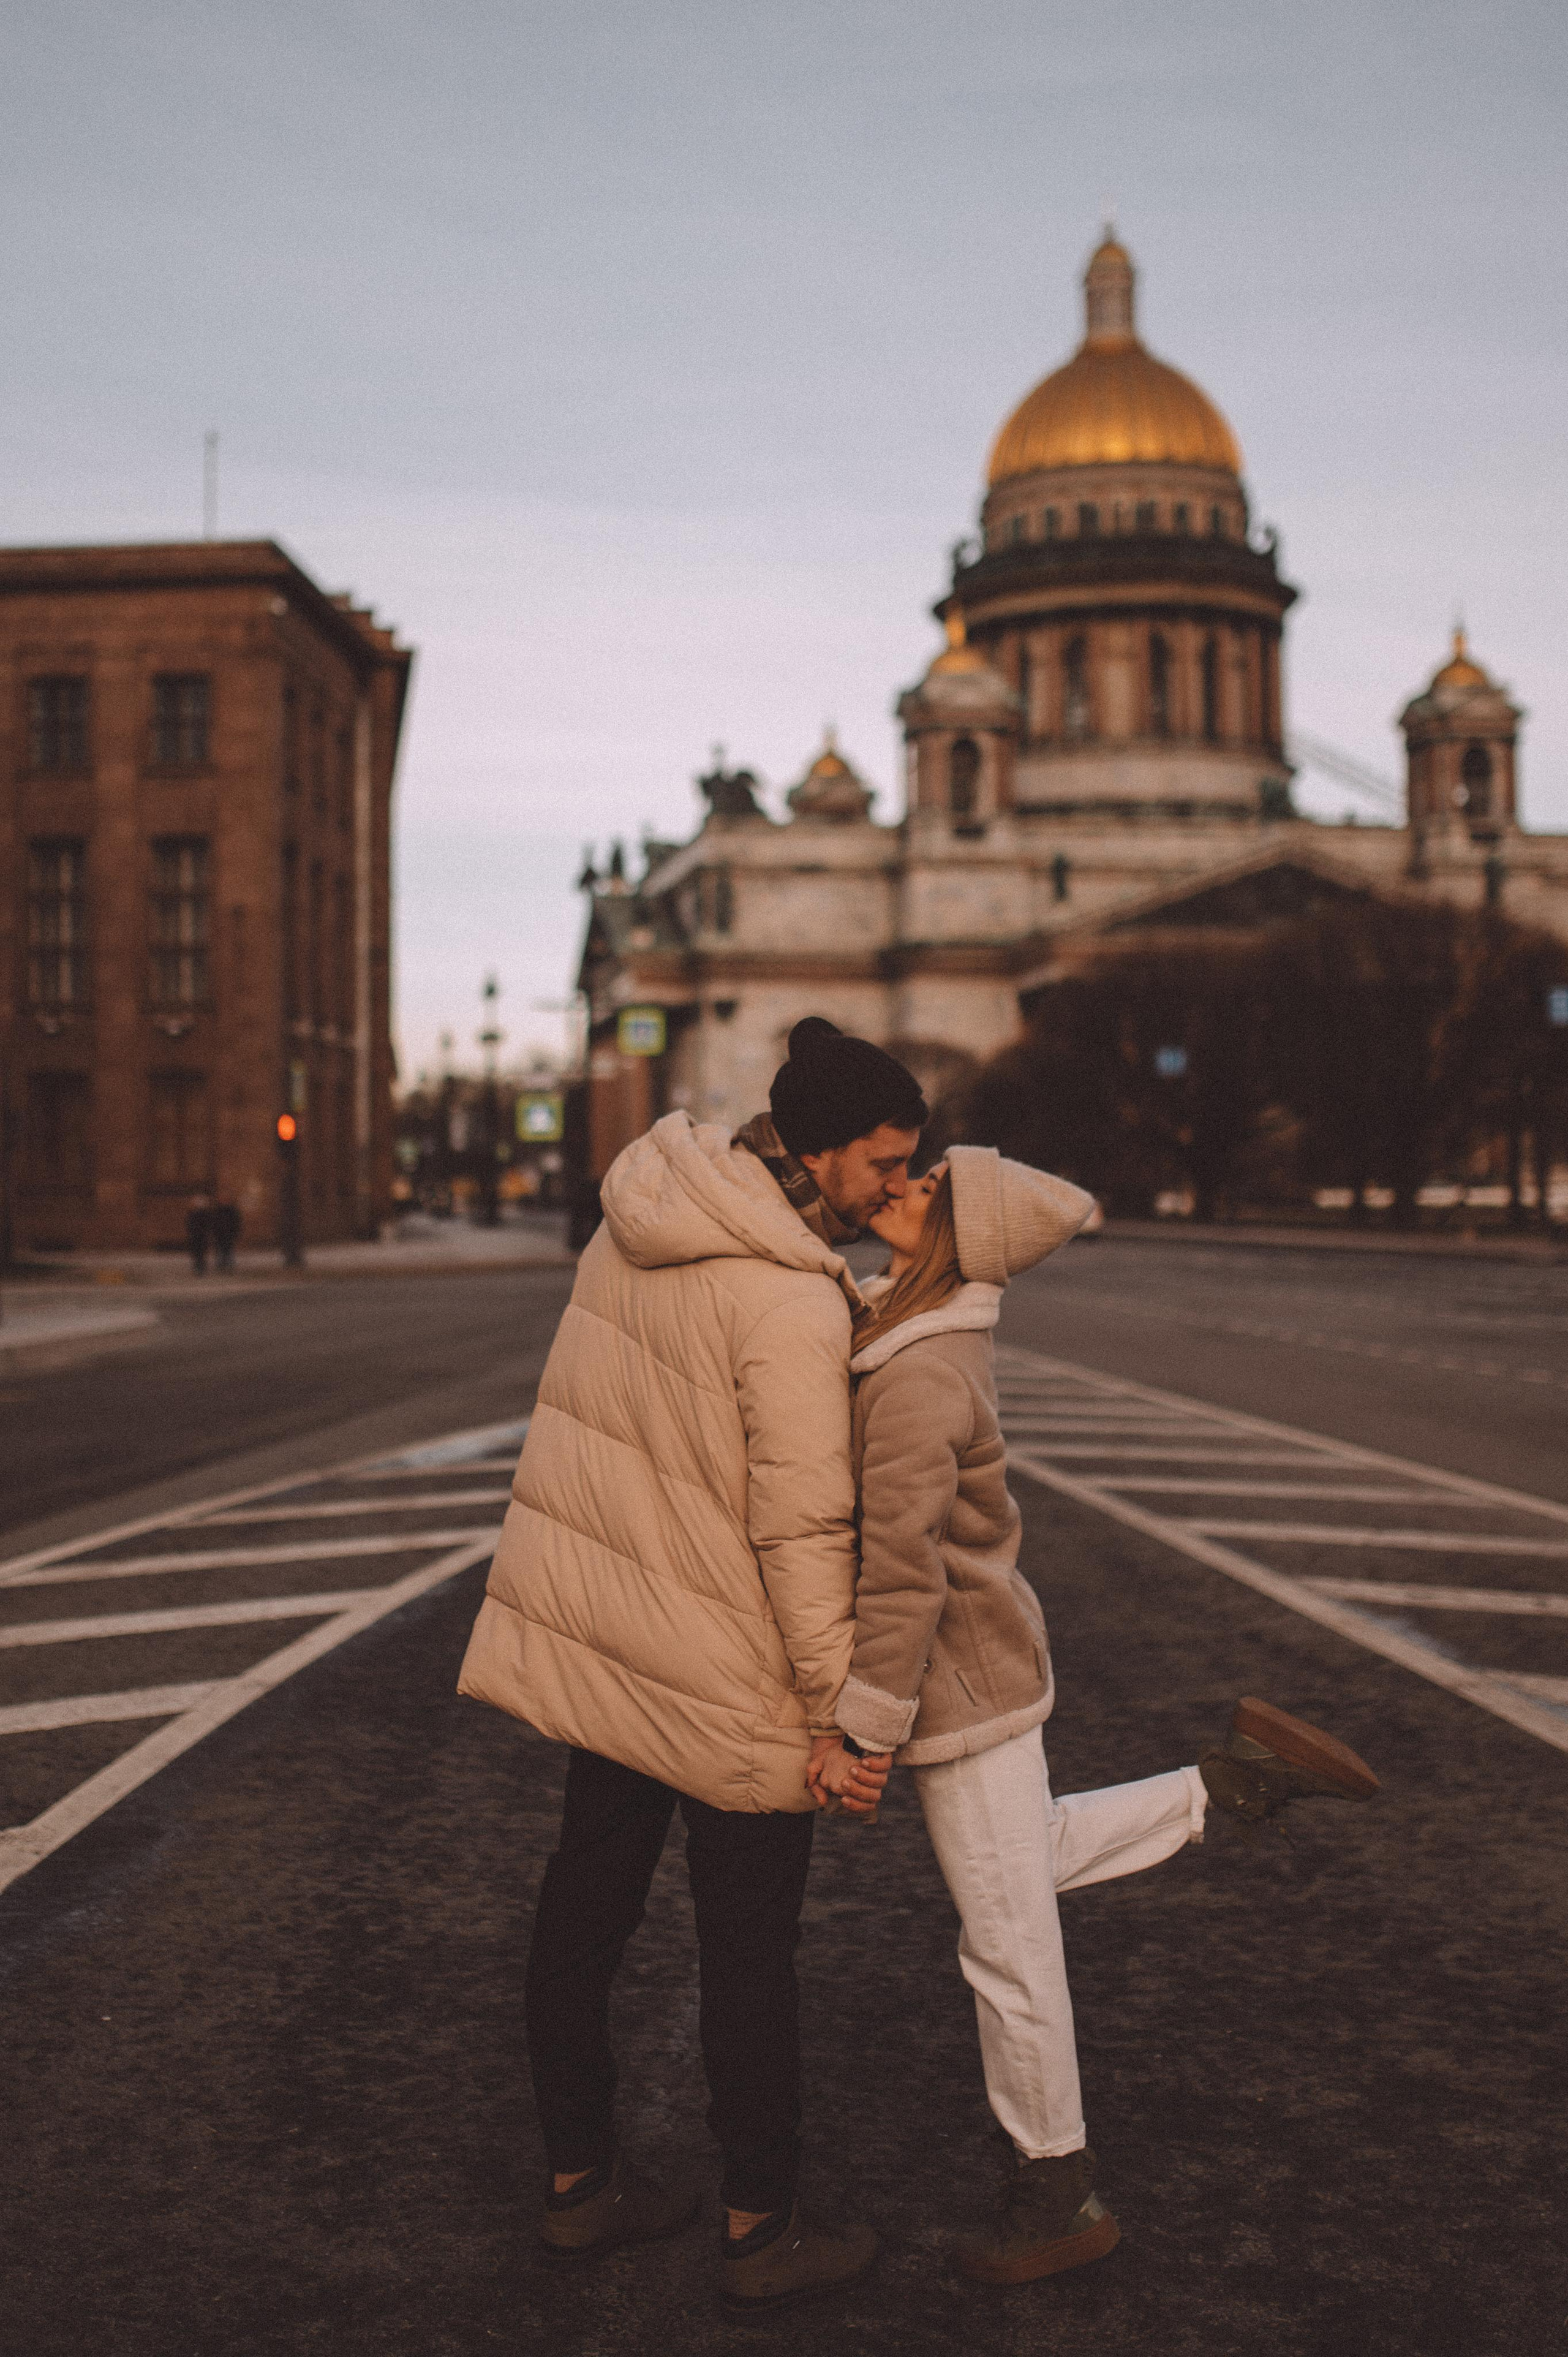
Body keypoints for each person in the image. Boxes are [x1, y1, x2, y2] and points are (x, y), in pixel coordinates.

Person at [814, 1147, 1380, 2287]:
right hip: (990, 1663)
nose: (901, 1187)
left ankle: (1055, 2189)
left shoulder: (923, 1370)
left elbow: (904, 1574)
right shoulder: (920, 1333)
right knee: (1032, 1861)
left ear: (964, 1238)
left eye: (928, 1187)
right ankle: (1228, 1783)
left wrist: (864, 1725)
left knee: (1009, 1945)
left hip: (958, 1683)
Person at [458, 1018, 924, 2312]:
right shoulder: (782, 1293)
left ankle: (576, 2184)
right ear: (817, 1149)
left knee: (581, 1915)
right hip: (729, 1673)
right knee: (748, 1956)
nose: (893, 1189)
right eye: (881, 1165)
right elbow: (797, 1523)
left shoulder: (636, 1218)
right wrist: (846, 1714)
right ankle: (759, 2226)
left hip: (617, 1645)